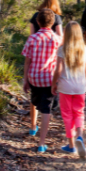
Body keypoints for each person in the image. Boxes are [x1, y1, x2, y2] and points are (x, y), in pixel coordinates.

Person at [22, 8, 62, 153]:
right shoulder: (58, 39)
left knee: (34, 100)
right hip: (50, 79)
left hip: (34, 78)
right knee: (46, 109)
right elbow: (60, 62)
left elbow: (27, 61)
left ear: (38, 22)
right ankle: (41, 143)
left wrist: (25, 79)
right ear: (52, 23)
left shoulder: (32, 39)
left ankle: (33, 127)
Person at [52, 22, 86, 158]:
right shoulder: (85, 50)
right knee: (79, 112)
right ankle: (79, 136)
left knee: (67, 115)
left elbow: (58, 70)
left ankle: (71, 145)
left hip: (65, 87)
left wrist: (53, 84)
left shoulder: (62, 50)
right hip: (80, 86)